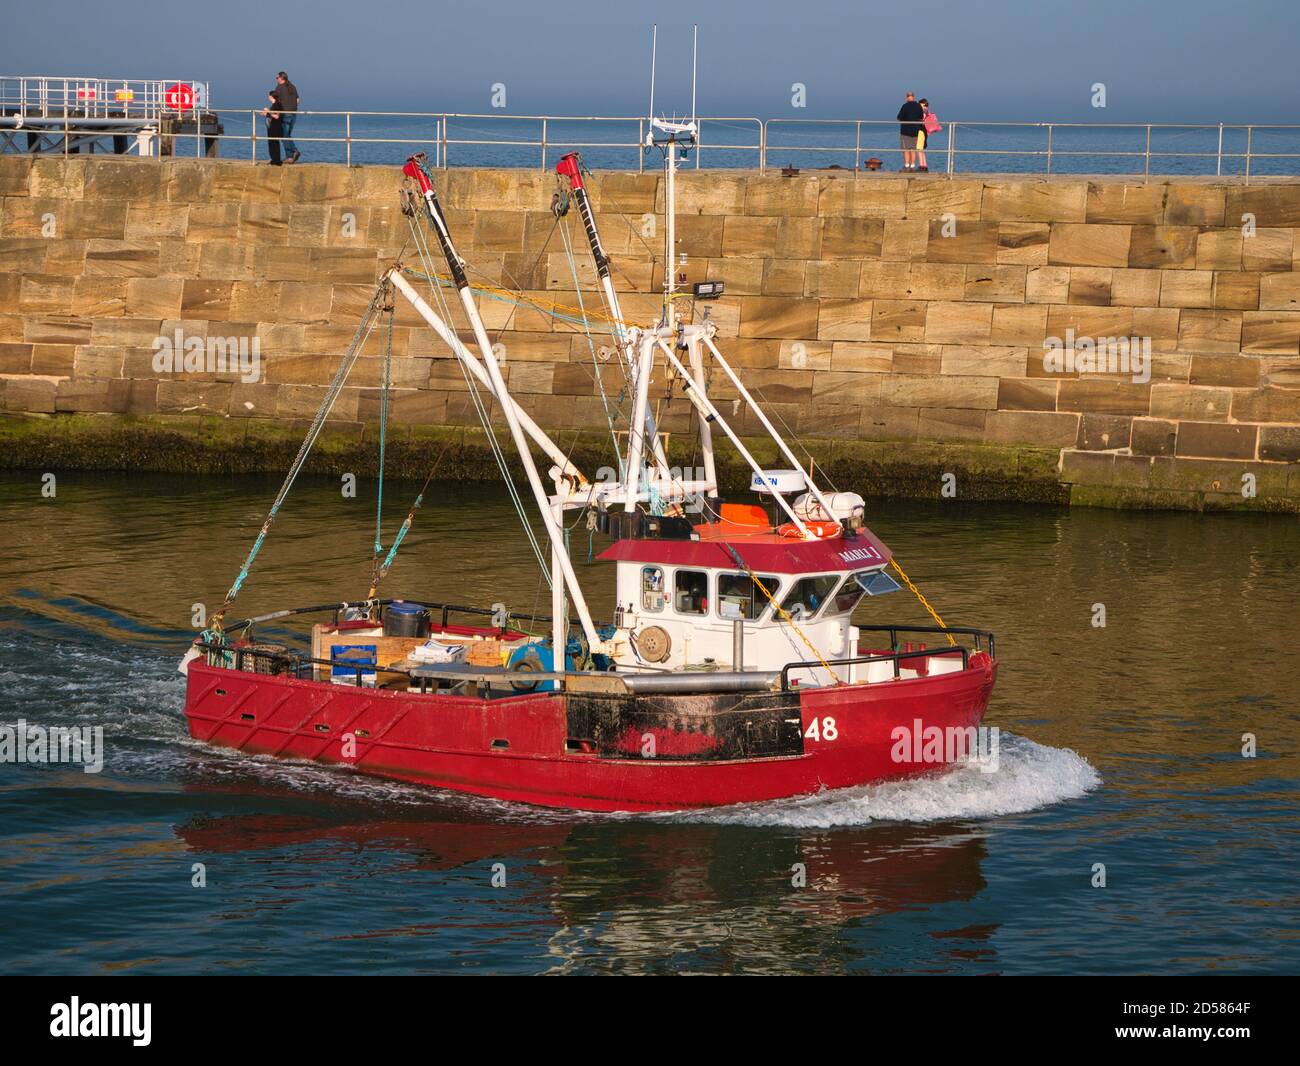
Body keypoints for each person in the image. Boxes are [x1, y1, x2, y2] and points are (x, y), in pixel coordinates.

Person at [272, 71, 300, 163]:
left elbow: (276, 102)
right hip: (293, 114)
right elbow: (298, 100)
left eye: (277, 78)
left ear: (281, 78)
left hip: (285, 114)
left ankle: (294, 151)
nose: (276, 79)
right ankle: (290, 157)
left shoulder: (279, 88)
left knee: (283, 135)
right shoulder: (293, 87)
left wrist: (270, 111)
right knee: (287, 135)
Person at [896, 91, 924, 172]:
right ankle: (912, 166)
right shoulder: (918, 106)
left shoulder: (905, 106)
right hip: (915, 131)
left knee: (906, 149)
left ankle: (907, 166)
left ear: (907, 97)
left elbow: (899, 117)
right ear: (914, 97)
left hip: (905, 131)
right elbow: (921, 117)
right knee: (913, 149)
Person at [918, 98, 941, 173]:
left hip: (921, 131)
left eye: (921, 105)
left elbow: (921, 121)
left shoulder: (923, 112)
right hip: (924, 132)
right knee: (921, 149)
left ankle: (922, 166)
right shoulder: (927, 112)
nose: (920, 107)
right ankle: (924, 166)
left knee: (919, 149)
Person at [262, 92, 284, 165]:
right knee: (271, 144)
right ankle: (273, 159)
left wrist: (268, 111)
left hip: (275, 127)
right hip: (271, 127)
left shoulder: (277, 104)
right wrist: (266, 113)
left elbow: (277, 116)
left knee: (274, 143)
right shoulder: (273, 105)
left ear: (271, 96)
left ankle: (277, 161)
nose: (268, 97)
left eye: (268, 95)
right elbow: (272, 115)